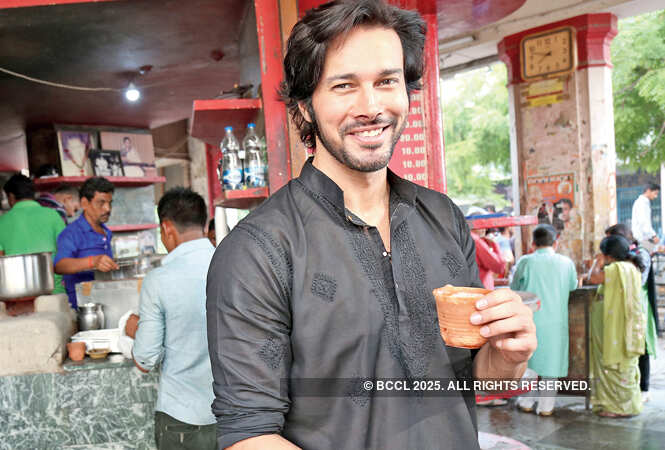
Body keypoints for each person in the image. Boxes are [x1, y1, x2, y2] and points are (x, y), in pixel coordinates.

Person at [206, 2, 536, 449]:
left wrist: (509, 355)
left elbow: (475, 378)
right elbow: (249, 435)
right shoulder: (258, 250)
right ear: (305, 106)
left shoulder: (442, 216)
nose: (371, 107)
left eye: (387, 81)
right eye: (344, 85)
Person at [125, 187, 216, 449]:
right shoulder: (233, 264)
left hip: (182, 419)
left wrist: (134, 329)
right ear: (203, 224)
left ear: (166, 228)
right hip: (234, 415)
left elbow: (145, 359)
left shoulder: (159, 280)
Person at [511, 224, 577, 416]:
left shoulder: (526, 261)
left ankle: (526, 401)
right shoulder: (566, 263)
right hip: (556, 322)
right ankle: (546, 407)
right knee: (551, 365)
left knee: (529, 362)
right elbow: (573, 286)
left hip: (530, 320)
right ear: (555, 243)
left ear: (533, 243)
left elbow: (514, 287)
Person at [587, 235, 646, 417]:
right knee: (624, 365)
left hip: (614, 329)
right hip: (624, 327)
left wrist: (597, 263)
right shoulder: (631, 267)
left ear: (608, 255)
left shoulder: (616, 268)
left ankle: (616, 408)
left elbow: (593, 278)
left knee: (612, 364)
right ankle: (624, 405)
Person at [605, 224, 658, 403]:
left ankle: (644, 388)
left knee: (641, 346)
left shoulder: (640, 254)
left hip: (639, 305)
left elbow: (638, 280)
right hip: (623, 305)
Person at [54, 177, 119, 308]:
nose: (107, 209)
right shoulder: (71, 233)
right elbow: (59, 265)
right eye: (101, 203)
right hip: (82, 308)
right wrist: (93, 262)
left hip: (107, 302)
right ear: (84, 203)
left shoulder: (106, 232)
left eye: (109, 203)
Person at [0, 174, 66, 294]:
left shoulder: (2, 221)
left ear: (11, 197)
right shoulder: (52, 215)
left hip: (17, 293)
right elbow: (66, 251)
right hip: (54, 291)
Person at [631, 183, 660, 251]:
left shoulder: (644, 202)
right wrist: (653, 235)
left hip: (643, 238)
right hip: (641, 239)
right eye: (655, 193)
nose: (656, 196)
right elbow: (643, 222)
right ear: (648, 191)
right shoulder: (641, 203)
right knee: (649, 255)